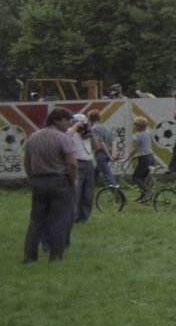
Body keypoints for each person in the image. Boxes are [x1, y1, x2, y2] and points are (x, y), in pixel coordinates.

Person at [23, 108, 79, 263]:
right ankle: (55, 256)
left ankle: (29, 256)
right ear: (56, 120)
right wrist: (73, 180)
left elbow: (27, 161)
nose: (69, 124)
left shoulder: (33, 137)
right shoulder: (63, 138)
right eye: (67, 120)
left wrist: (31, 178)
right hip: (60, 181)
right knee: (59, 220)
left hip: (38, 181)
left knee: (36, 221)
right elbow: (72, 164)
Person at [69, 113, 96, 226]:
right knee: (76, 191)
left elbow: (97, 147)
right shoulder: (71, 131)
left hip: (89, 162)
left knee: (88, 191)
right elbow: (66, 136)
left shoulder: (87, 134)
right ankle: (73, 216)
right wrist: (76, 127)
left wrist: (91, 134)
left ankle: (83, 217)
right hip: (77, 162)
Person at [123, 116, 155, 201]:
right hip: (151, 157)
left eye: (135, 125)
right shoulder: (148, 133)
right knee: (142, 179)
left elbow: (135, 149)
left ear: (139, 126)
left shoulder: (137, 136)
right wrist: (136, 156)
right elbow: (145, 147)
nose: (134, 127)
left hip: (144, 159)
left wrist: (127, 158)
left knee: (136, 177)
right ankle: (142, 196)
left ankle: (148, 191)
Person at [89, 111, 117, 189]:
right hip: (108, 153)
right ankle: (90, 187)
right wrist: (113, 154)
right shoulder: (105, 127)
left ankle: (117, 195)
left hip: (101, 154)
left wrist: (109, 155)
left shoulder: (93, 129)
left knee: (107, 176)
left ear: (90, 119)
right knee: (96, 171)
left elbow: (101, 143)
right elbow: (113, 141)